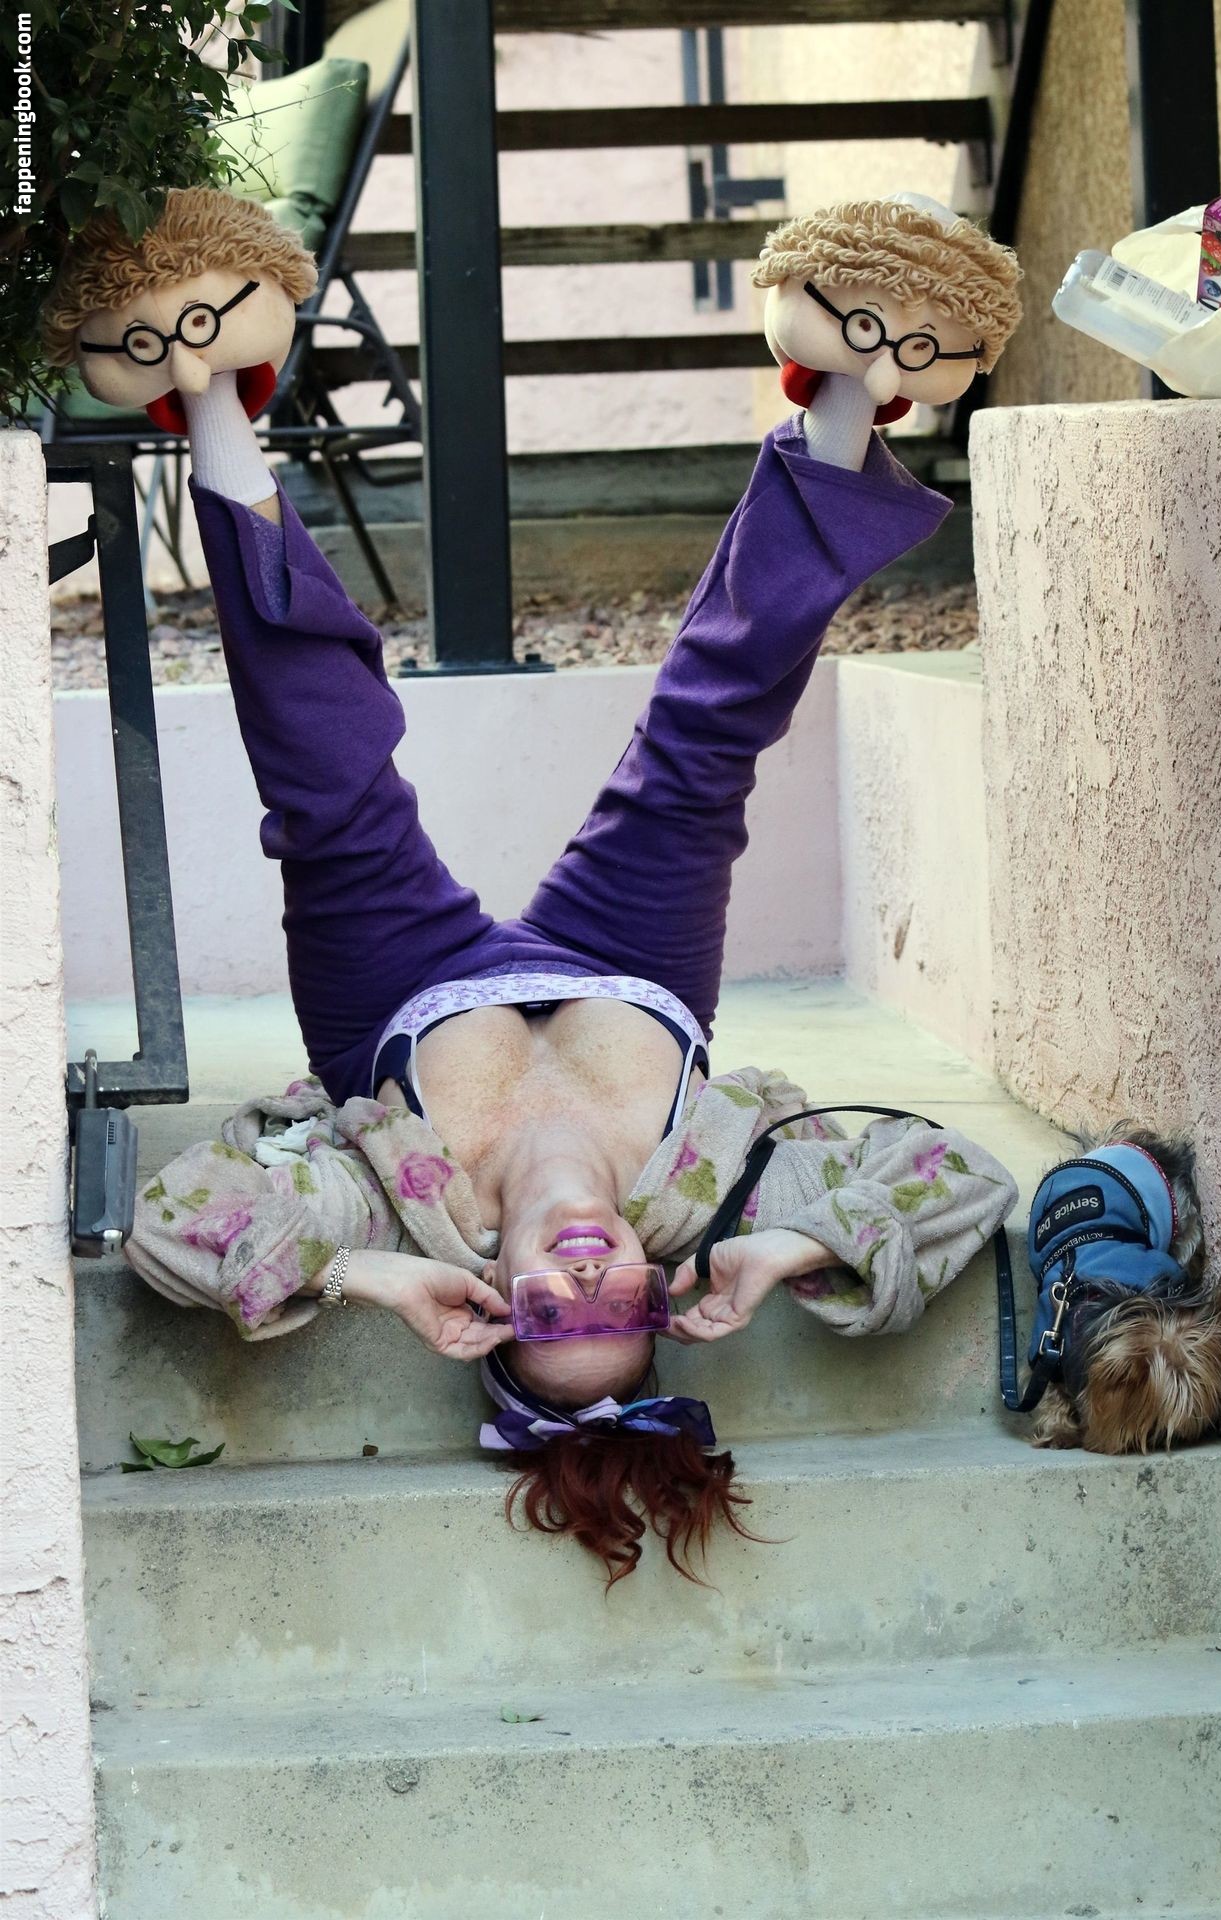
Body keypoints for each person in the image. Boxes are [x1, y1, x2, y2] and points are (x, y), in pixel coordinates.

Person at [50, 188, 1021, 1581]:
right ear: (658, 1290)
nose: (582, 1281)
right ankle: (861, 371)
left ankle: (203, 379)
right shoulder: (718, 1198)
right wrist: (790, 1253)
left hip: (400, 995)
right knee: (703, 739)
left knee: (325, 778)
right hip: (634, 963)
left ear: (496, 1301)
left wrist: (371, 1273)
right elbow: (963, 1179)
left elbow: (172, 1230)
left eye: (551, 1320)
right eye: (619, 1312)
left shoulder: (408, 1208)